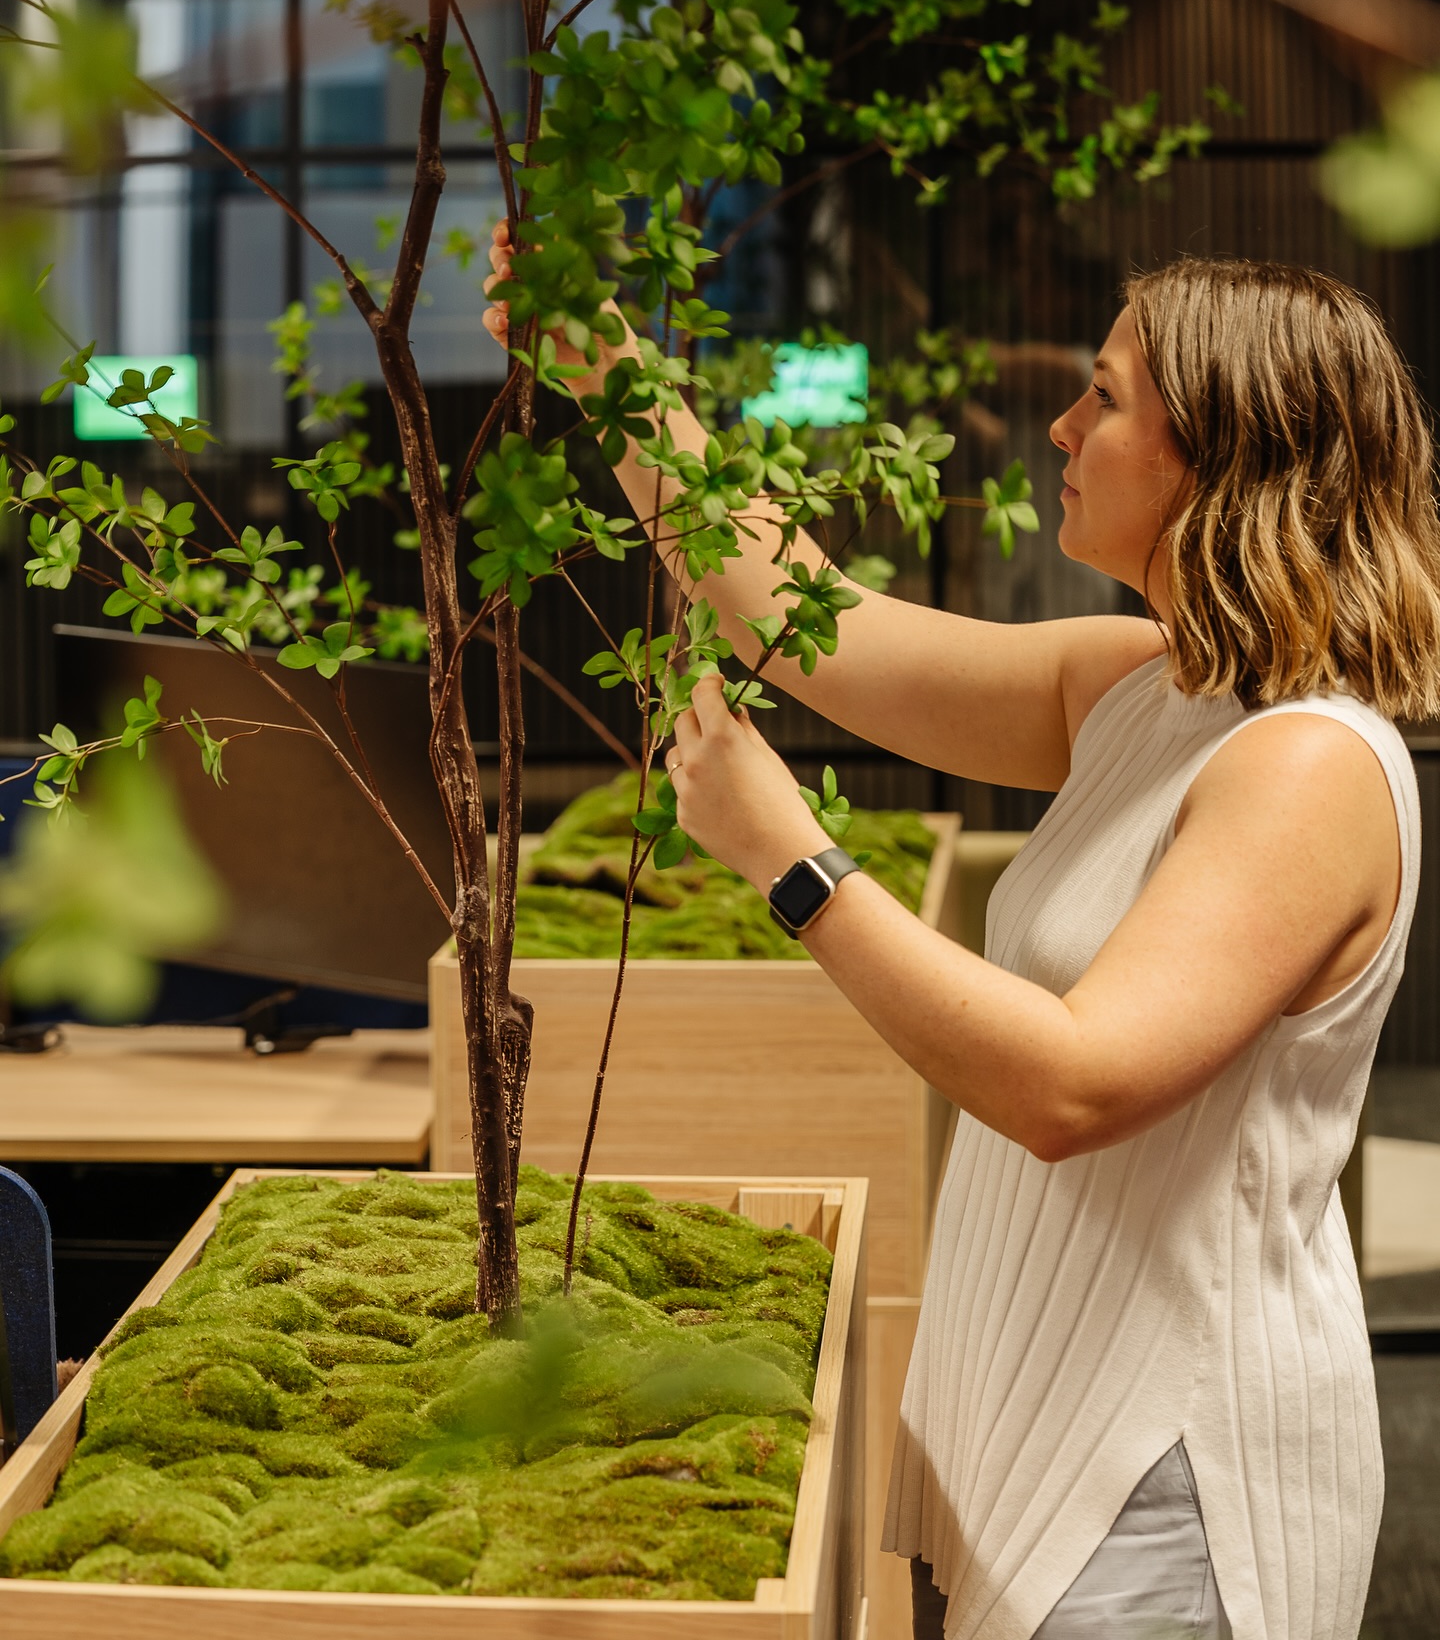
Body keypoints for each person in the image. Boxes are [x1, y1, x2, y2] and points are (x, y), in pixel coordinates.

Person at [484, 239, 1440, 1640]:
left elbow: (1072, 1087)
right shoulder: (1148, 688)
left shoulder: (1309, 770)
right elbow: (792, 612)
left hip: (1165, 1469)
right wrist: (608, 369)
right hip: (1023, 1400)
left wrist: (791, 862)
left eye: (1102, 400)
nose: (1060, 425)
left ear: (1225, 459)